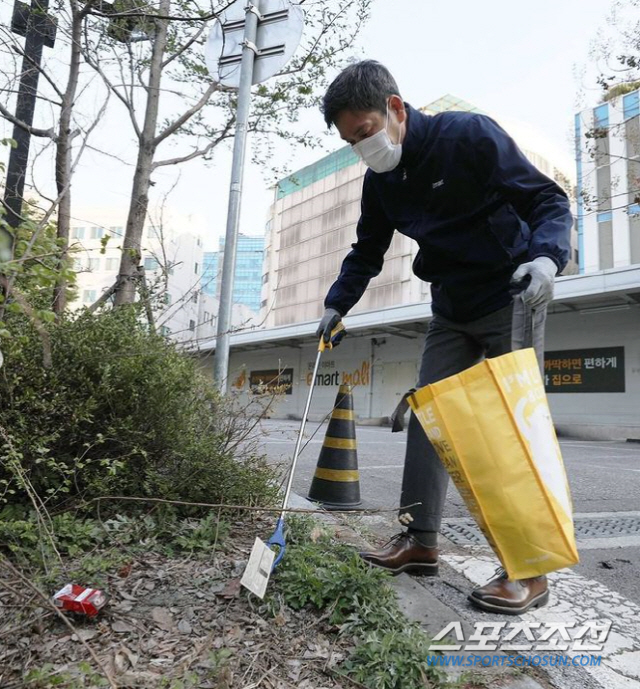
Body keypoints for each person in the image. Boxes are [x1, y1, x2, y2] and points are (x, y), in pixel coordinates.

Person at [315, 60, 572, 615]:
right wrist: (337, 305)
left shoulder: (469, 136)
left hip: (512, 292)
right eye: (351, 142)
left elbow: (546, 200)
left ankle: (530, 569)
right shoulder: (381, 181)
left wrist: (548, 257)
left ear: (396, 109)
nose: (364, 148)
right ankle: (419, 540)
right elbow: (366, 251)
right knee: (431, 418)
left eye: (365, 133)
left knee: (513, 426)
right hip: (451, 305)